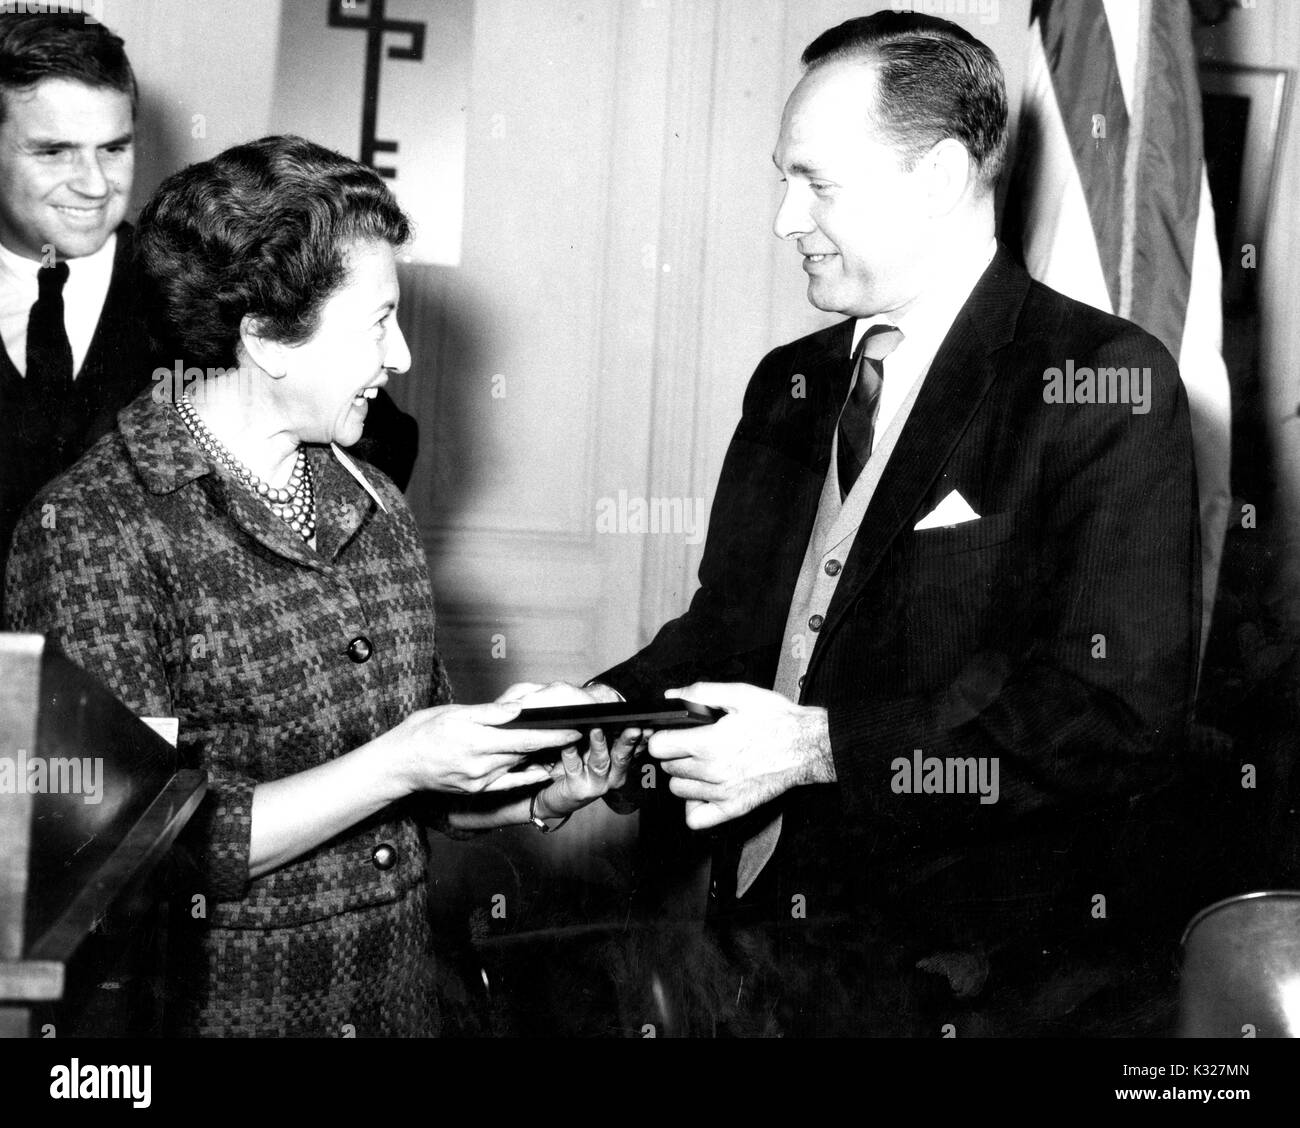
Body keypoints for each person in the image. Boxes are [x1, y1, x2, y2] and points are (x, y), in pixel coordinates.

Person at [540, 11, 1201, 1036]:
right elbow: (734, 628)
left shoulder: (1100, 384)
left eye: (816, 184)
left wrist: (821, 749)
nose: (783, 220)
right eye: (781, 180)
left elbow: (1111, 716)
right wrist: (607, 711)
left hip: (963, 982)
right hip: (750, 951)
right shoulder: (789, 383)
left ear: (937, 179)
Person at [2, 134, 637, 1037]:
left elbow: (416, 789)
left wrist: (533, 784)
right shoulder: (94, 529)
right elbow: (129, 860)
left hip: (398, 1005)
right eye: (379, 320)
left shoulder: (371, 496)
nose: (405, 356)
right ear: (264, 336)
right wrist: (401, 759)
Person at [0, 14, 418, 602]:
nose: (93, 184)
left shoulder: (204, 282)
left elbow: (374, 437)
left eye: (115, 149)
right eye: (54, 152)